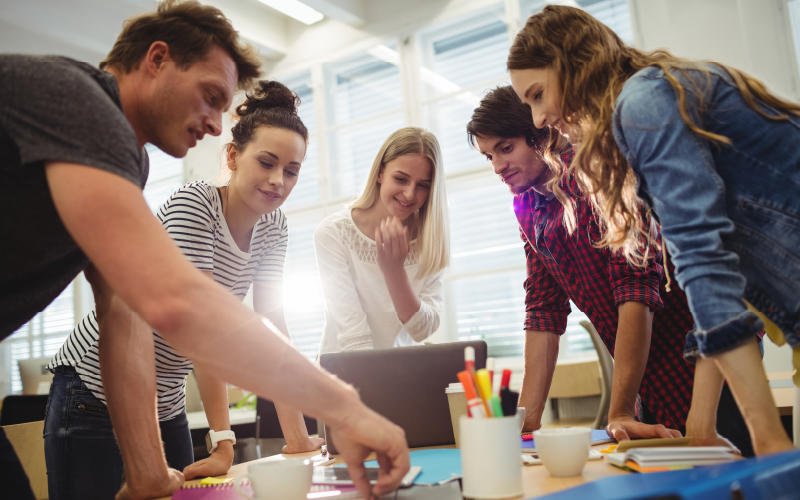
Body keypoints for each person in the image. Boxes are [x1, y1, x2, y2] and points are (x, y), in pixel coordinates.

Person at [0, 1, 409, 499]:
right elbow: (180, 305)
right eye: (210, 97)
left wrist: (148, 467)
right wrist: (346, 408)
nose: (216, 125)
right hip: (87, 397)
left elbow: (123, 309)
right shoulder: (81, 103)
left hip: (161, 400)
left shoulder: (126, 161)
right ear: (157, 60)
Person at [507, 5, 798, 456]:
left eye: (538, 94)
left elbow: (706, 266)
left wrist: (767, 437)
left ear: (574, 66)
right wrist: (700, 423)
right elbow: (718, 278)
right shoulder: (642, 111)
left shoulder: (643, 104)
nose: (539, 118)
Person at [44, 80, 325, 499]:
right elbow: (200, 326)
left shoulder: (274, 226)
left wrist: (298, 437)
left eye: (291, 170)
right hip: (93, 391)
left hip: (165, 402)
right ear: (232, 155)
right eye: (266, 162)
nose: (277, 181)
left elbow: (274, 328)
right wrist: (224, 439)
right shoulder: (196, 205)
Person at [467, 85, 756, 454]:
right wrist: (527, 419)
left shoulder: (598, 175)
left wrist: (618, 409)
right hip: (644, 382)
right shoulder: (526, 206)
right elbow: (543, 309)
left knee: (740, 478)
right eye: (488, 156)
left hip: (704, 364)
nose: (497, 167)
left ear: (541, 133)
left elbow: (635, 290)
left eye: (506, 148)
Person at [315, 127, 449, 354]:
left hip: (399, 374)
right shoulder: (334, 233)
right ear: (379, 173)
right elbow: (353, 335)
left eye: (423, 185)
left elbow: (422, 331)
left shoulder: (431, 240)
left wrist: (395, 273)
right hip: (344, 372)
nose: (409, 194)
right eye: (400, 179)